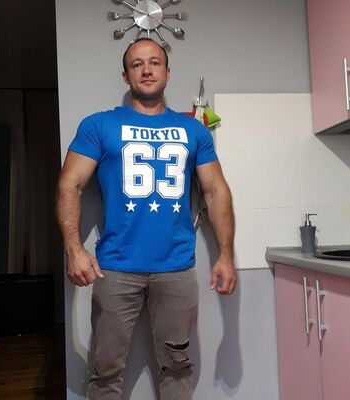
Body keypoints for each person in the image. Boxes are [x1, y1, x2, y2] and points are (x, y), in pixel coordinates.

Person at [56, 38, 237, 400]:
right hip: (115, 267)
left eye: (154, 62)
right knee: (106, 370)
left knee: (177, 366)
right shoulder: (99, 125)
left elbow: (216, 190)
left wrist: (226, 254)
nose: (147, 70)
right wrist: (74, 250)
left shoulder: (193, 130)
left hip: (177, 267)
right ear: (126, 76)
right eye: (137, 64)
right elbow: (69, 185)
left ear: (168, 72)